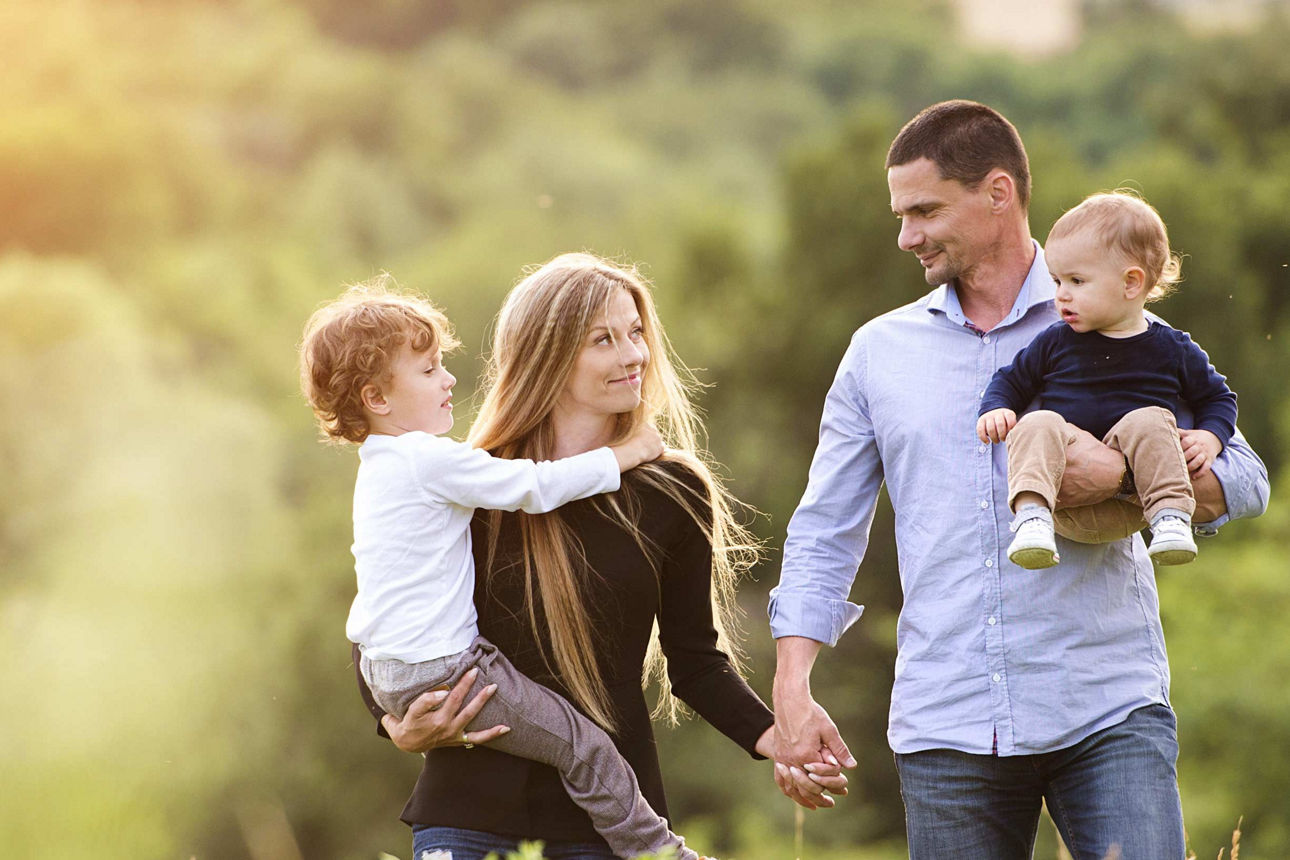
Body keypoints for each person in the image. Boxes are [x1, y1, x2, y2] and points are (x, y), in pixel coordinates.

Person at [769, 101, 1269, 859]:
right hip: (947, 719)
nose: (906, 235)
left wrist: (1123, 474)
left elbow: (1247, 479)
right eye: (901, 214)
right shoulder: (879, 352)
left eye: (925, 210)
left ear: (998, 193)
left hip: (1105, 706)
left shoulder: (1113, 314)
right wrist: (793, 686)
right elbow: (824, 527)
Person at [352, 254, 847, 860]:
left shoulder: (672, 490)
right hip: (469, 815)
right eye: (604, 340)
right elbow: (385, 609)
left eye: (636, 333)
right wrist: (396, 723)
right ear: (549, 355)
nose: (633, 355)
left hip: (612, 829)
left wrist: (782, 738)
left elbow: (694, 661)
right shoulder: (476, 481)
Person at [300, 276, 706, 859]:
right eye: (429, 370)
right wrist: (625, 456)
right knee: (583, 746)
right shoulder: (431, 463)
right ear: (376, 398)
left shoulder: (378, 471)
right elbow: (535, 486)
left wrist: (389, 716)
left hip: (386, 668)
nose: (449, 380)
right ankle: (661, 854)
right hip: (448, 670)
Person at [977, 191, 1238, 570]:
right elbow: (1011, 380)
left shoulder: (1172, 347)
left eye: (1076, 281)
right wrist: (996, 408)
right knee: (1038, 422)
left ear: (1131, 283)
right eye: (1056, 281)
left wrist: (1211, 437)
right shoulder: (1055, 340)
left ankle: (1172, 519)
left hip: (1139, 508)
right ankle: (1031, 517)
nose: (1061, 295)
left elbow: (1218, 398)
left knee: (1150, 419)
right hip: (1065, 501)